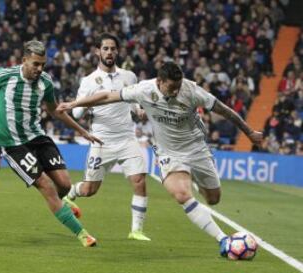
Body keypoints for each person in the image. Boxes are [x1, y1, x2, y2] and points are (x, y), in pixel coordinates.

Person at [57, 62, 263, 256]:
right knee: (182, 195)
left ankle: (196, 180)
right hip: (169, 153)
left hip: (197, 149)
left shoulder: (191, 91)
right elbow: (105, 96)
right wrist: (74, 103)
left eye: (178, 86)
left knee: (213, 199)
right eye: (172, 87)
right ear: (159, 82)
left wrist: (249, 132)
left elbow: (225, 111)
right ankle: (223, 240)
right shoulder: (144, 90)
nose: (176, 91)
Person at [0, 40, 102, 247]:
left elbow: (54, 110)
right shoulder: (3, 76)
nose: (39, 69)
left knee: (65, 185)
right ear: (24, 60)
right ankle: (82, 234)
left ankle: (62, 206)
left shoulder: (46, 82)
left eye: (42, 64)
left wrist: (81, 130)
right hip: (13, 145)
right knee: (46, 185)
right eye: (35, 64)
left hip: (38, 137)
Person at [67, 33, 150, 241]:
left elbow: (132, 99)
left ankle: (136, 231)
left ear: (118, 51)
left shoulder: (129, 77)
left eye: (113, 48)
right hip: (102, 141)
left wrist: (138, 110)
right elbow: (76, 114)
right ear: (98, 52)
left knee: (139, 180)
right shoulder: (88, 81)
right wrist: (91, 102)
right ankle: (70, 194)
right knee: (89, 190)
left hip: (127, 138)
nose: (109, 52)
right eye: (105, 48)